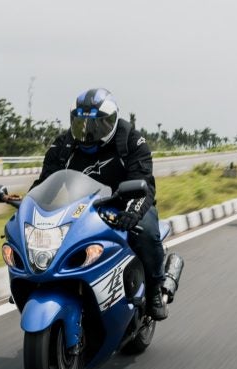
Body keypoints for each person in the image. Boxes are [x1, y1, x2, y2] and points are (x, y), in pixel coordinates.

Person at [30, 88, 168, 320]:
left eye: (96, 125)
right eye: (81, 124)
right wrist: (30, 207)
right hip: (79, 208)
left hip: (127, 204)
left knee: (146, 232)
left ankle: (154, 289)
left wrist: (132, 212)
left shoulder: (132, 141)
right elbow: (46, 183)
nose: (88, 133)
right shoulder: (63, 145)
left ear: (111, 121)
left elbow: (143, 181)